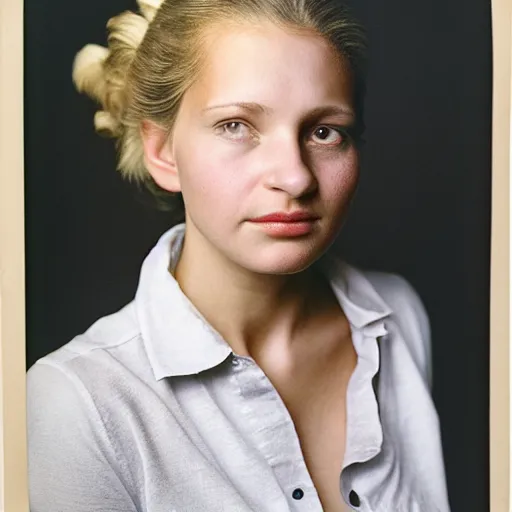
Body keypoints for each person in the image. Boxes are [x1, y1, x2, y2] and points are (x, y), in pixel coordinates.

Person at [26, 0, 451, 510]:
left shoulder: (397, 315)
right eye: (236, 125)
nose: (294, 177)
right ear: (162, 151)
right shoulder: (77, 405)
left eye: (324, 131)